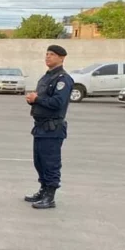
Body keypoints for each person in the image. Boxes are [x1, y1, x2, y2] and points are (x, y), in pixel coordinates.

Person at [24, 45, 73, 209]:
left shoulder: (63, 79)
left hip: (52, 128)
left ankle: (50, 197)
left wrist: (37, 99)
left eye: (52, 54)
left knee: (50, 163)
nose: (48, 57)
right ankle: (43, 190)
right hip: (40, 127)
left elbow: (58, 102)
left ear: (61, 58)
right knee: (39, 162)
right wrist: (32, 99)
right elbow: (42, 98)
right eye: (46, 54)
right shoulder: (46, 77)